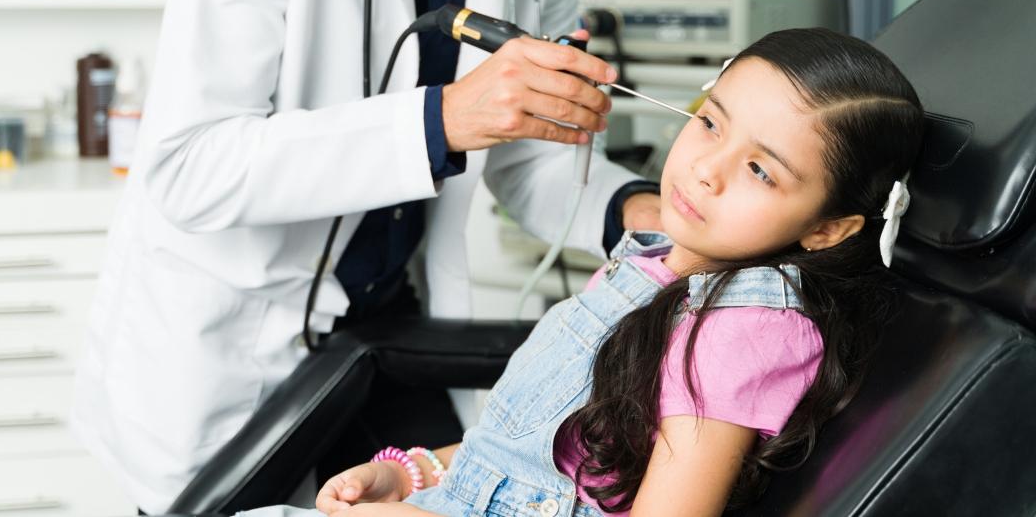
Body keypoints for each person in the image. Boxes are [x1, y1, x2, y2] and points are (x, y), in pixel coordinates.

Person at [71, 0, 721, 511]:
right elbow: (189, 168)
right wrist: (442, 119)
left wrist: (648, 219)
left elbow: (529, 166)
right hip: (226, 361)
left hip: (383, 345)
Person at [233, 27, 925, 517]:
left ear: (828, 229)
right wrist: (407, 473)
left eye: (758, 170)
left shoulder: (740, 331)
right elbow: (524, 452)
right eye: (710, 124)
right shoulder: (651, 266)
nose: (706, 170)